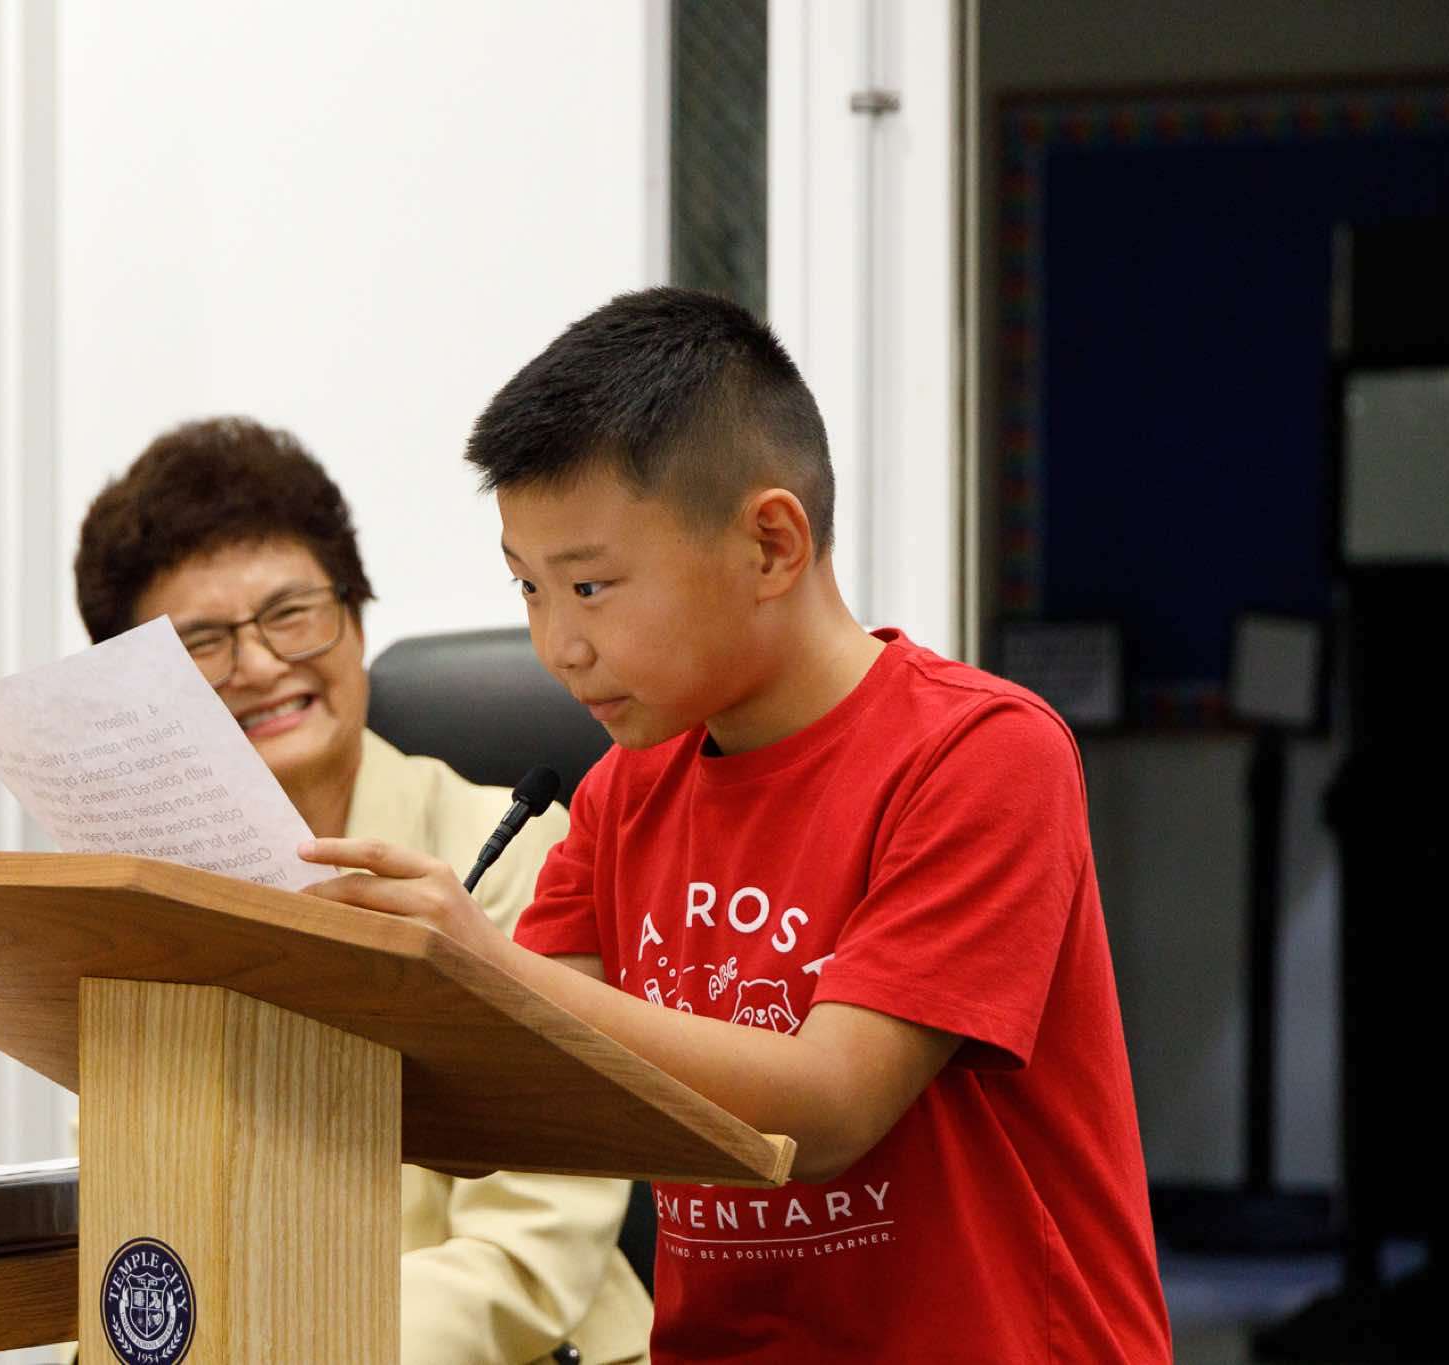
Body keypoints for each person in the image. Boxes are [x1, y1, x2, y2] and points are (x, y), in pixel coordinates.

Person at [299, 288, 1174, 1362]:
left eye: (589, 585)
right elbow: (513, 1107)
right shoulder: (626, 790)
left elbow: (829, 1110)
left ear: (770, 545)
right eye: (528, 588)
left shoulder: (979, 753)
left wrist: (485, 963)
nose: (558, 645)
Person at [73, 416, 653, 1365]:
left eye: (291, 612)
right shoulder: (150, 907)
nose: (261, 665)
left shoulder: (522, 856)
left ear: (356, 613)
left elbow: (528, 1257)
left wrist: (274, 1346)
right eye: (202, 642)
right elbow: (137, 1216)